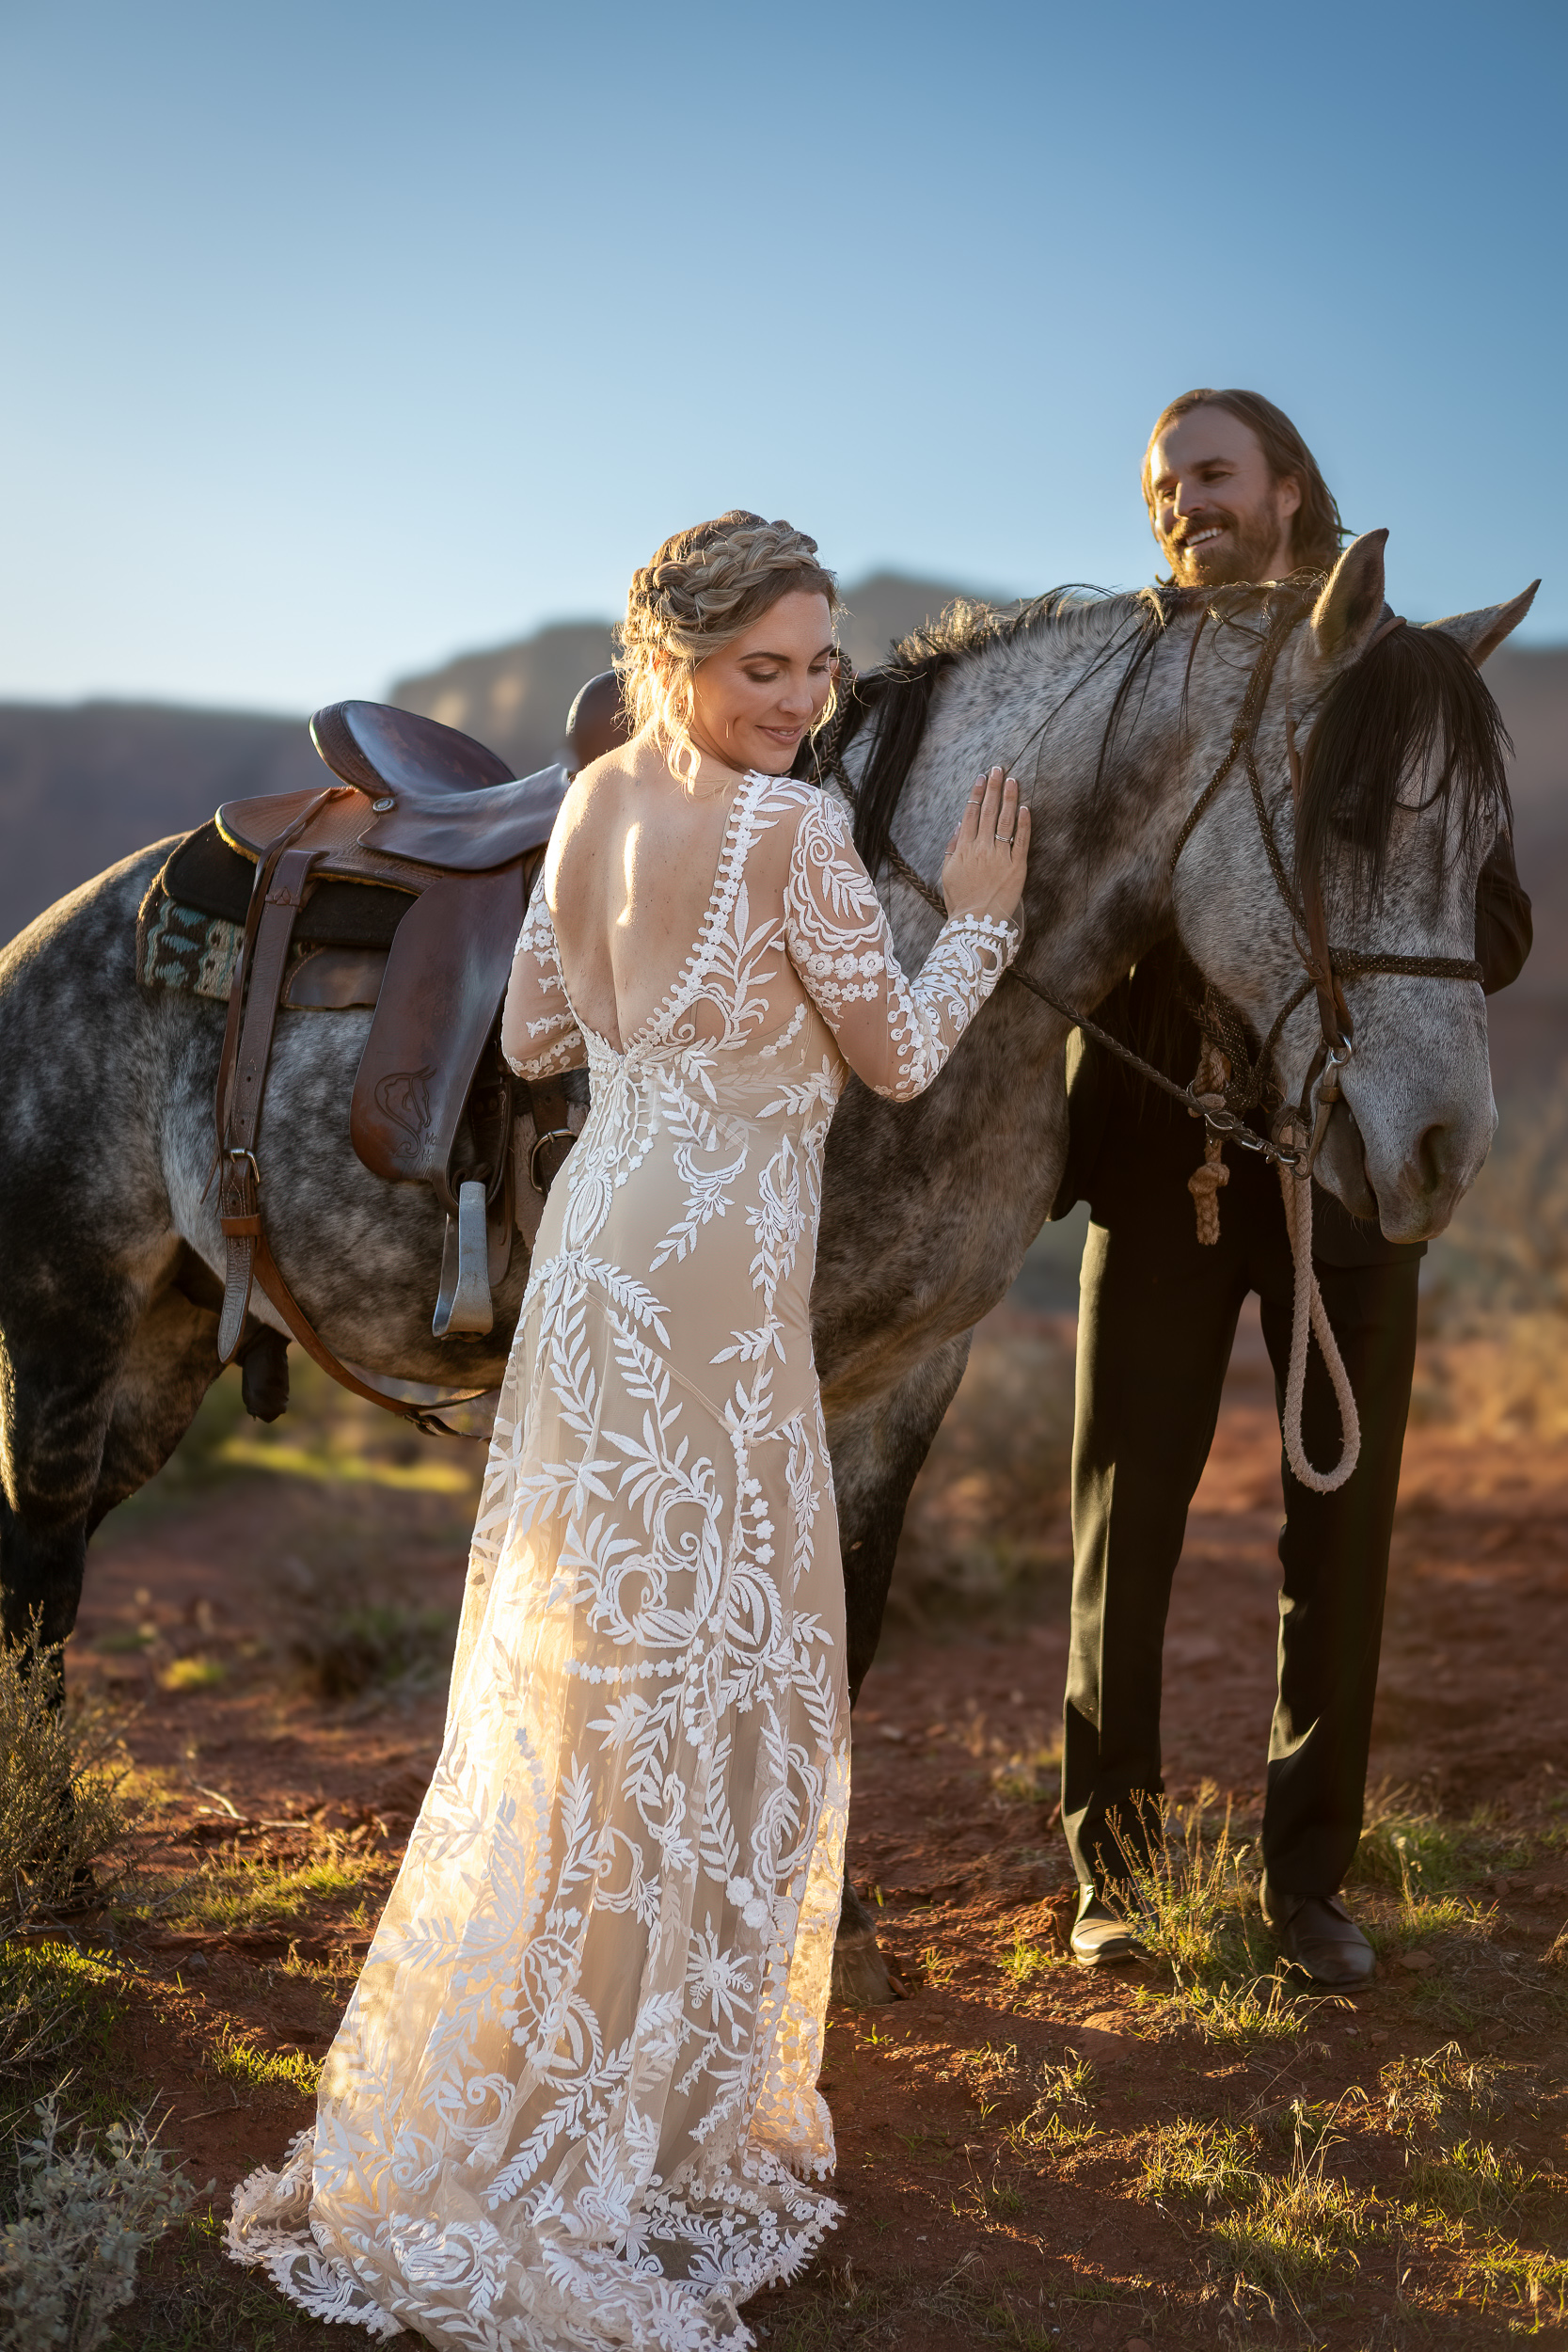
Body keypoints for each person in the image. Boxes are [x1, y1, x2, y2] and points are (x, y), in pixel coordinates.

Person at [228, 510, 1030, 2348]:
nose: (803, 700)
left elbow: (528, 1048)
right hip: (716, 1299)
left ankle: (553, 2061)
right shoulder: (799, 830)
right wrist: (977, 925)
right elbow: (902, 1052)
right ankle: (649, 2103)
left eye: (821, 666)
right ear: (677, 659)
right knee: (707, 1673)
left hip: (602, 1268)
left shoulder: (588, 809)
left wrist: (682, 1031)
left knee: (589, 1669)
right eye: (767, 667)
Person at [1058, 390, 1531, 1985]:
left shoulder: (1398, 674)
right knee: (1127, 1525)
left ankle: (1308, 1881)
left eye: (1210, 474)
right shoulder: (1135, 672)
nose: (1182, 503)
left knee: (1341, 1535)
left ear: (1287, 488)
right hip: (1167, 1162)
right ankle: (1109, 1875)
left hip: (1344, 1171)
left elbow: (1492, 916)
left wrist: (1364, 943)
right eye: (1161, 485)